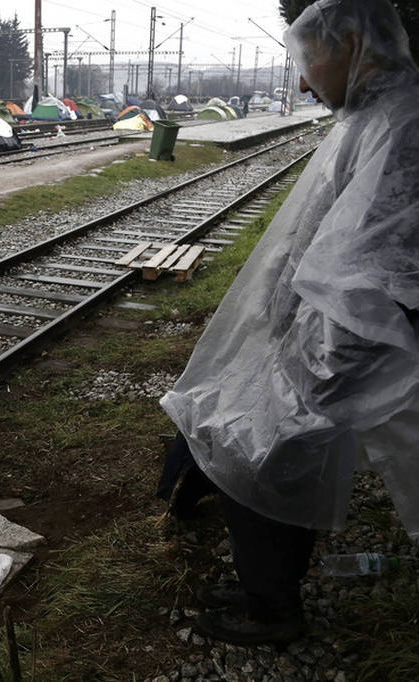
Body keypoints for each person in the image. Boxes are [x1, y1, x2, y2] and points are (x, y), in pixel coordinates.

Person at [158, 0, 419, 646]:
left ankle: (271, 612)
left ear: (353, 45)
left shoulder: (399, 126)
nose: (303, 81)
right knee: (263, 449)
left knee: (257, 452)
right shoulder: (377, 115)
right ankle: (266, 592)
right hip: (329, 344)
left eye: (310, 61)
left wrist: (312, 371)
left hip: (349, 349)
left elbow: (371, 271)